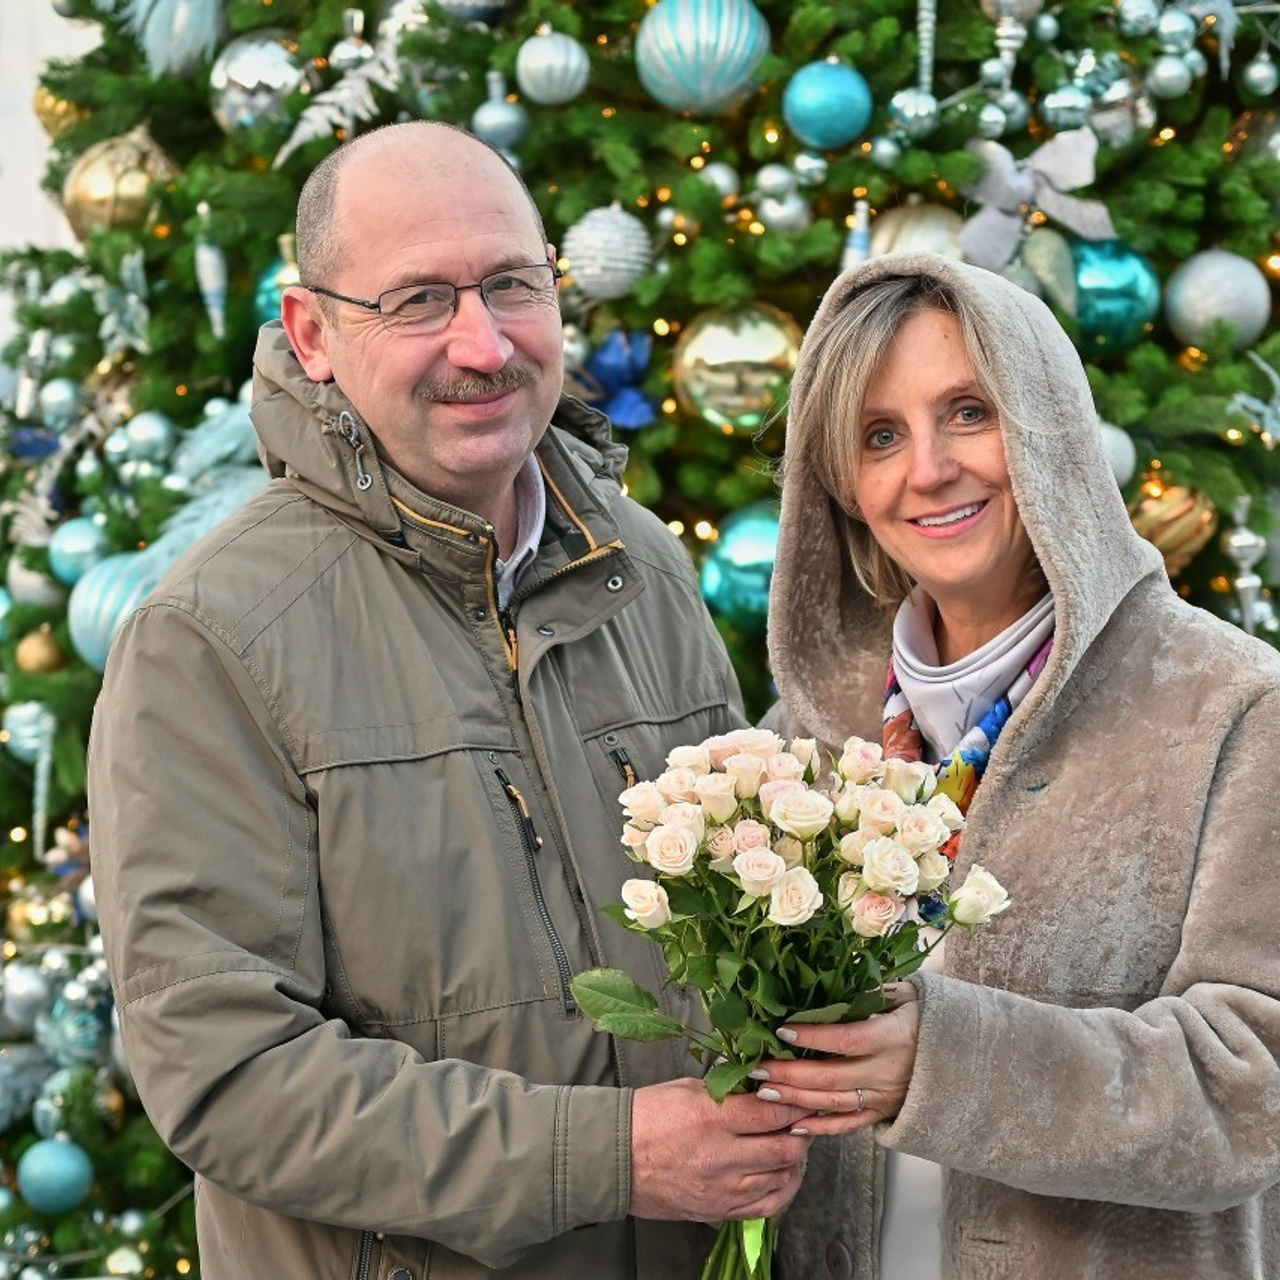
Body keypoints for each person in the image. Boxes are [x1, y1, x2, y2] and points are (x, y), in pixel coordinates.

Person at [87, 120, 812, 1280]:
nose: (482, 343)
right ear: (312, 332)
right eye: (418, 299)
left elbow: (736, 931)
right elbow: (226, 1073)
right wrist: (608, 1155)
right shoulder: (211, 640)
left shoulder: (641, 567)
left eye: (512, 285)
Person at [754, 252, 1280, 1280]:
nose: (928, 469)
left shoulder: (1230, 705)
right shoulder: (802, 737)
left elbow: (1248, 1086)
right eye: (879, 435)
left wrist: (947, 1060)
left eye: (967, 411)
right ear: (844, 485)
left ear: (1045, 425)